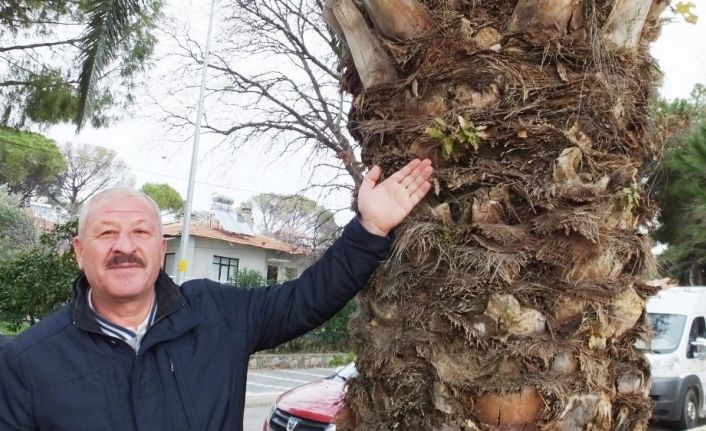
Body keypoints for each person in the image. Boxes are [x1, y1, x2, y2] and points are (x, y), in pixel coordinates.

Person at [0, 159, 434, 431]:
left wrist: (370, 228)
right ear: (79, 251)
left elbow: (307, 297)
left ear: (160, 248)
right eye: (106, 233)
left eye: (140, 232)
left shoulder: (216, 314)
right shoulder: (28, 360)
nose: (125, 247)